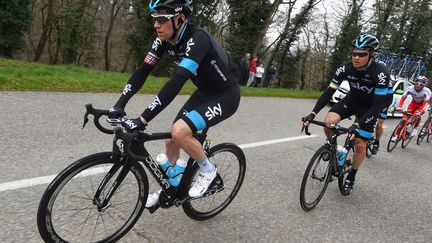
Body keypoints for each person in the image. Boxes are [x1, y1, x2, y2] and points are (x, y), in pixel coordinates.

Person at [108, 0, 241, 207]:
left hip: (225, 95)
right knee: (172, 140)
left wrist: (142, 119)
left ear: (179, 19)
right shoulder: (162, 40)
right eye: (155, 19)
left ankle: (208, 171)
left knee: (179, 132)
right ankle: (172, 185)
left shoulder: (198, 39)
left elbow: (176, 82)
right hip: (205, 92)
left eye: (162, 19)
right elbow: (142, 71)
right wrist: (119, 105)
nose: (156, 25)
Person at [302, 34, 390, 196]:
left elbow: (378, 104)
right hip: (352, 100)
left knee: (360, 143)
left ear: (372, 55)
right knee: (329, 122)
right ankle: (333, 149)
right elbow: (329, 92)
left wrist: (358, 124)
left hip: (370, 107)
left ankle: (352, 176)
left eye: (362, 54)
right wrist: (312, 114)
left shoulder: (381, 73)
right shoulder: (345, 68)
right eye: (354, 53)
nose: (356, 57)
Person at [371, 76, 394, 154]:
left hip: (382, 104)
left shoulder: (388, 81)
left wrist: (382, 109)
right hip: (370, 103)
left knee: (378, 124)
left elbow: (389, 99)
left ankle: (376, 142)